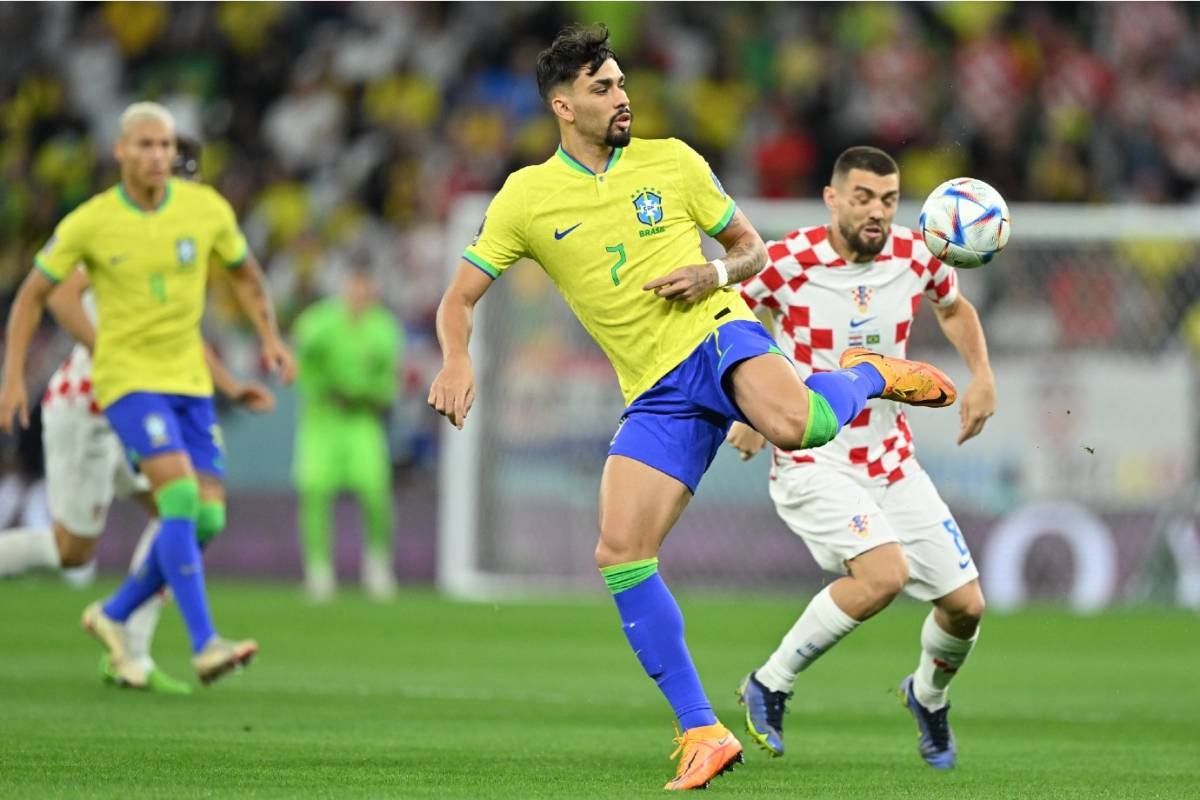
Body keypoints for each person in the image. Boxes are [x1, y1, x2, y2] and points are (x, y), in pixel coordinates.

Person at [427, 26, 957, 791]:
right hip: (653, 391)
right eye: (604, 88)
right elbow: (460, 297)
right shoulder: (526, 197)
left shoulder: (672, 161)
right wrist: (454, 356)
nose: (622, 97)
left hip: (719, 333)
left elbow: (753, 251)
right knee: (619, 552)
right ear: (562, 105)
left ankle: (868, 375)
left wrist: (712, 275)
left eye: (621, 84)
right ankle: (702, 730)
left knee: (796, 424)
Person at [0, 102, 296, 688]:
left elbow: (183, 323)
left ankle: (122, 631)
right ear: (125, 154)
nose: (167, 165)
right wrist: (104, 346)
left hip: (171, 387)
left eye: (172, 154)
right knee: (75, 549)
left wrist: (241, 371)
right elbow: (52, 295)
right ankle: (191, 640)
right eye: (152, 150)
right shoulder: (100, 224)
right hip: (93, 399)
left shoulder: (197, 215)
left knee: (195, 513)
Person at [729, 146, 995, 770]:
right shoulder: (788, 259)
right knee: (883, 576)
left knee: (966, 607)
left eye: (888, 199)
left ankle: (926, 697)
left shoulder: (916, 253)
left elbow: (953, 307)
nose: (877, 212)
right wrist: (749, 407)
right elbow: (734, 318)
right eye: (863, 198)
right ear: (832, 198)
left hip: (891, 460)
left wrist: (982, 375)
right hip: (813, 458)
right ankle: (770, 682)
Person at [292, 261, 402, 602]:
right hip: (322, 418)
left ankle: (377, 565)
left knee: (375, 493)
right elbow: (301, 356)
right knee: (314, 491)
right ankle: (318, 570)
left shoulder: (384, 328)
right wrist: (324, 384)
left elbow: (388, 381)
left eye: (366, 286)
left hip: (361, 419)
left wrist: (368, 395)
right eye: (355, 285)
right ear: (344, 287)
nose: (360, 293)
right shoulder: (319, 322)